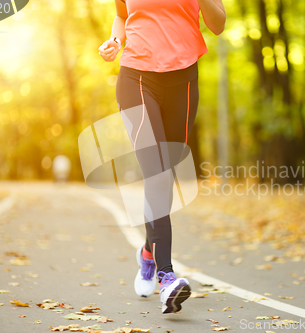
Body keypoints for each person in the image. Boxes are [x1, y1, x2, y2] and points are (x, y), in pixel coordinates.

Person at [98, 0, 225, 314]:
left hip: (183, 79)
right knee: (155, 174)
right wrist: (116, 40)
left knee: (164, 180)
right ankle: (167, 276)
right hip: (136, 76)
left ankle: (148, 253)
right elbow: (121, 15)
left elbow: (218, 25)